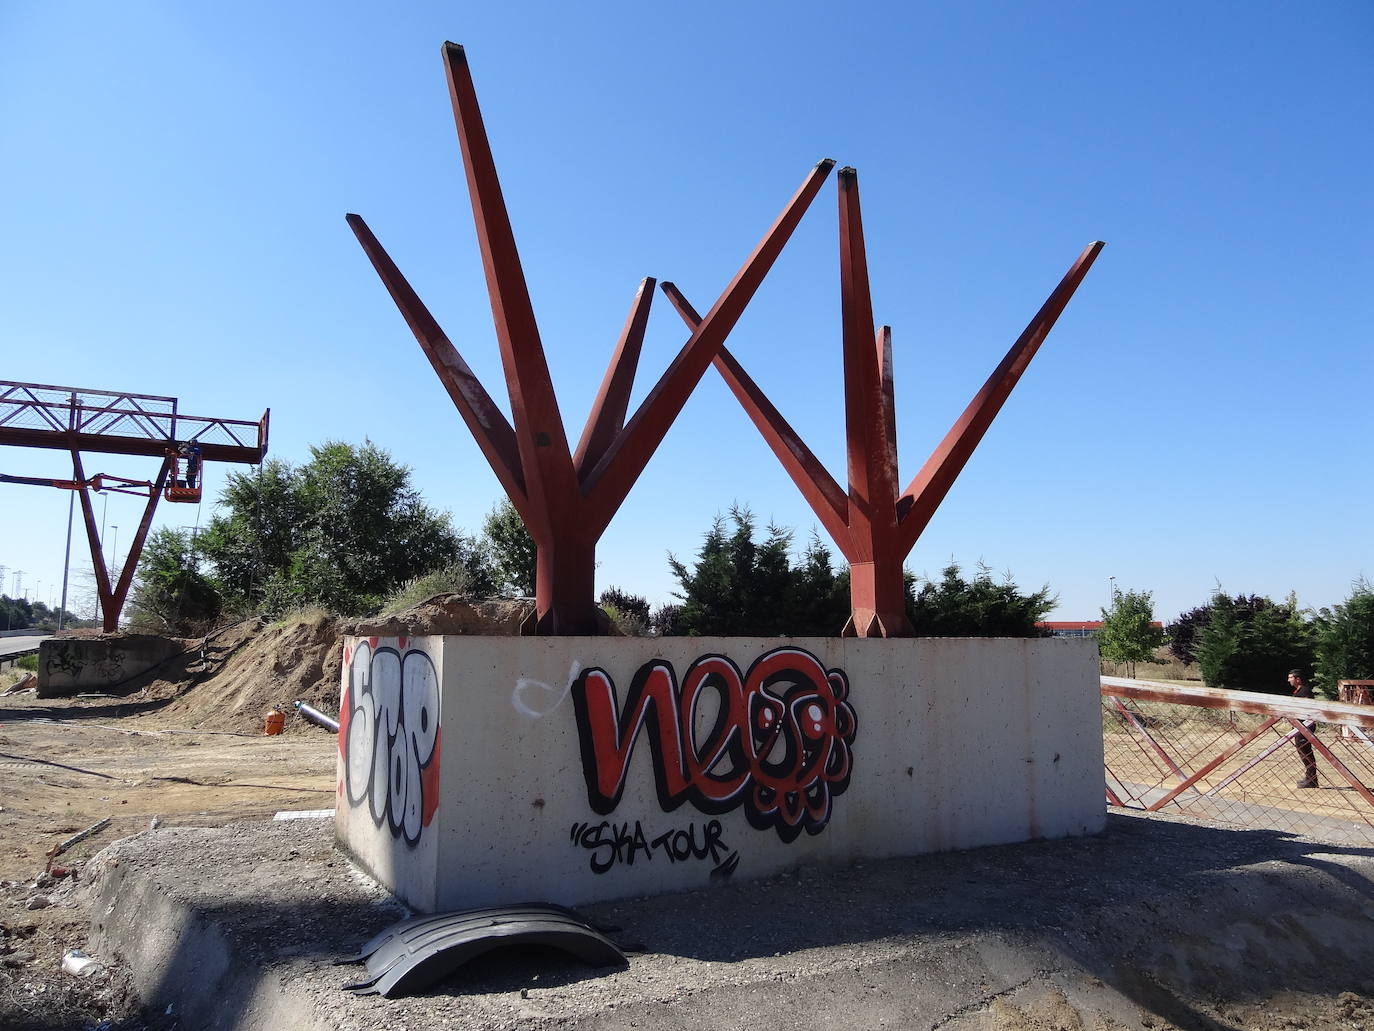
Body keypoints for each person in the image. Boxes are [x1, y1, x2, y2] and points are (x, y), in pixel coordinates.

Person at [1287, 669, 1319, 788]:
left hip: (1305, 725)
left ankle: (1311, 779)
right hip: (1299, 726)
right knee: (1303, 752)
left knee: (1306, 752)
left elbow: (1305, 708)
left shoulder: (1305, 691)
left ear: (1298, 679)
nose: (1288, 680)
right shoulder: (1298, 691)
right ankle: (1310, 777)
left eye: (1290, 677)